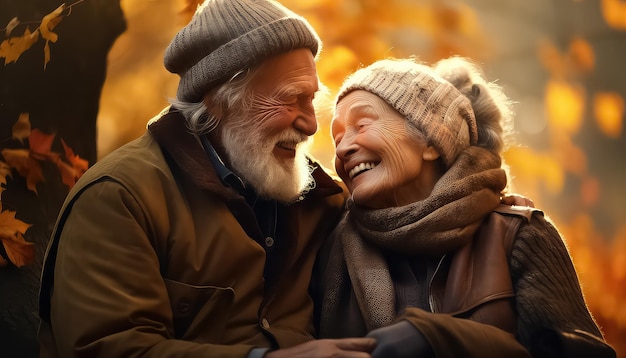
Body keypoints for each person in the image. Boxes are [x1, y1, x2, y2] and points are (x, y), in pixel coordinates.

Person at [37, 0, 377, 357]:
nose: (310, 125)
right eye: (291, 100)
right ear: (219, 100)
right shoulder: (121, 197)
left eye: (311, 100)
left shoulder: (321, 201)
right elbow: (106, 347)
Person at [314, 57, 617, 357]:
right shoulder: (328, 245)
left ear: (432, 141)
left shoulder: (518, 235)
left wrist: (443, 340)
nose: (342, 148)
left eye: (362, 124)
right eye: (338, 137)